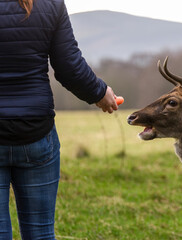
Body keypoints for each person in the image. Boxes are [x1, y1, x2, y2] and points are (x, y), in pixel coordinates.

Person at [0, 0, 119, 239]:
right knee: (41, 233)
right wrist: (100, 92)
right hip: (36, 133)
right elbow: (68, 66)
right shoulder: (50, 3)